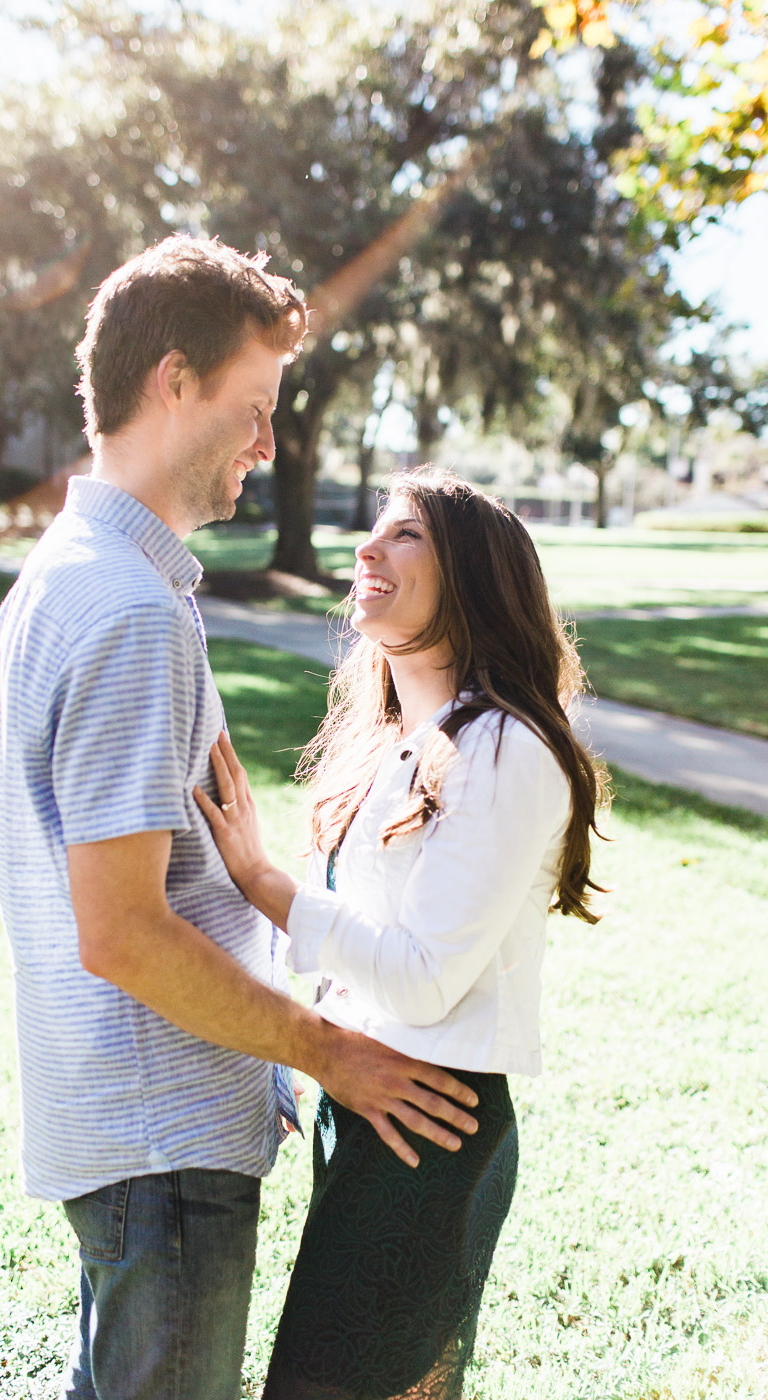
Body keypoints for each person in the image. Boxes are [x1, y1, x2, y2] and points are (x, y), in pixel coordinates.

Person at [0, 237, 480, 1400]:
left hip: (126, 1129)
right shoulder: (128, 609)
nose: (267, 443)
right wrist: (330, 1052)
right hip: (162, 1146)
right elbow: (122, 929)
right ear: (173, 382)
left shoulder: (63, 572)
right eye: (253, 407)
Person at [195, 468, 607, 1400]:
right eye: (369, 532)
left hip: (432, 1124)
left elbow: (424, 981)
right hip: (372, 1100)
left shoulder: (503, 746)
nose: (365, 549)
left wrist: (268, 885)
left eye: (404, 534)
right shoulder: (402, 742)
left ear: (470, 579)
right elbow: (377, 948)